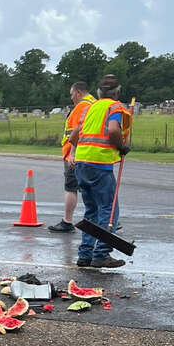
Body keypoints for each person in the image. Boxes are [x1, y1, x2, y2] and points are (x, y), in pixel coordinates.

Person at [70, 74, 131, 269]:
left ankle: (85, 254)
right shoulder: (114, 107)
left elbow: (74, 135)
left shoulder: (90, 107)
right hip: (99, 164)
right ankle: (101, 254)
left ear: (98, 92)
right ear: (117, 92)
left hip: (82, 163)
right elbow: (113, 130)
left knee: (91, 211)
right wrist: (121, 146)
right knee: (109, 209)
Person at [48, 81, 95, 232]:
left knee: (71, 187)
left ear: (78, 92)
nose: (71, 98)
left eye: (72, 94)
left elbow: (77, 130)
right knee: (94, 187)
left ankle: (67, 221)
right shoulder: (95, 104)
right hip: (91, 152)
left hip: (75, 153)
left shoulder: (81, 107)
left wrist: (72, 153)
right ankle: (106, 219)